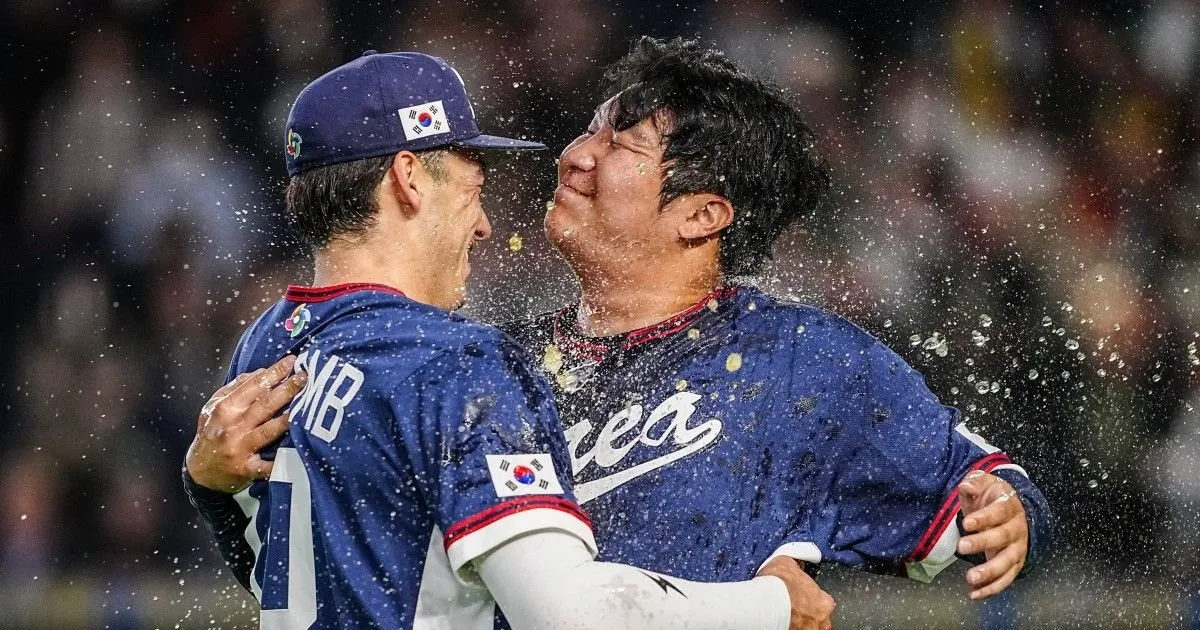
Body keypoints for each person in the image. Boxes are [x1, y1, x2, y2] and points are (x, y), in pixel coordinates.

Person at [191, 35, 1052, 614]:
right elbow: (360, 576)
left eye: (622, 145)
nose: (573, 155)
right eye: (587, 132)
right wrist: (220, 489)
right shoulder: (499, 361)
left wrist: (1011, 507)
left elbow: (979, 499)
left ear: (702, 214)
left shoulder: (806, 366)